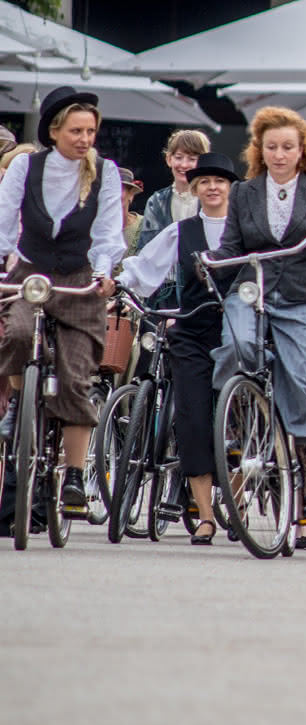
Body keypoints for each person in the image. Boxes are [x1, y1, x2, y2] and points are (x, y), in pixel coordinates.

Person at [211, 107, 306, 541]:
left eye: (288, 147)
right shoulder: (245, 192)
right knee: (235, 347)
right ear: (260, 150)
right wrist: (208, 263)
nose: (279, 154)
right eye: (271, 147)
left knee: (304, 390)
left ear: (301, 150)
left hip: (302, 297)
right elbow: (231, 246)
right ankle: (237, 425)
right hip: (253, 291)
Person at [0, 87, 123, 515]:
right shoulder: (25, 169)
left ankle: (72, 475)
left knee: (75, 377)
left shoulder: (105, 173)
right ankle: (19, 400)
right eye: (76, 130)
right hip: (31, 274)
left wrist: (105, 273)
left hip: (78, 279)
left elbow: (109, 233)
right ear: (54, 131)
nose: (85, 138)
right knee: (15, 333)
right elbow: (3, 222)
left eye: (91, 130)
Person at [119, 152, 240, 544]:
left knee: (237, 417)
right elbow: (144, 267)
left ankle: (235, 504)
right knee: (191, 417)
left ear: (231, 187)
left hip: (237, 333)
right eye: (204, 181)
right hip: (191, 330)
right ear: (195, 187)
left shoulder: (246, 231)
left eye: (220, 180)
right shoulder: (182, 230)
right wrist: (119, 286)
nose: (212, 187)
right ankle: (205, 515)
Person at [133, 129, 210, 252]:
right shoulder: (156, 202)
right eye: (179, 157)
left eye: (192, 159)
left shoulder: (211, 199)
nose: (184, 165)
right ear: (169, 159)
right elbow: (145, 249)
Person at [118, 168, 143, 252]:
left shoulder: (145, 226)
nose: (113, 194)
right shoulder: (90, 227)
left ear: (131, 194)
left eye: (119, 189)